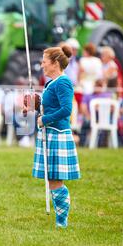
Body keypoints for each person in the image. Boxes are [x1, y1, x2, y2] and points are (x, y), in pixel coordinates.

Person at [25, 45, 81, 228]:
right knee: (52, 179)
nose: (41, 65)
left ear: (55, 63)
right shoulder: (50, 83)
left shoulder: (64, 82)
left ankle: (61, 221)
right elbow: (48, 106)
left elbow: (66, 109)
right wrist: (34, 105)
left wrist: (44, 119)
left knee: (55, 179)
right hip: (48, 134)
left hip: (58, 134)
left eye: (44, 61)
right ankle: (60, 220)